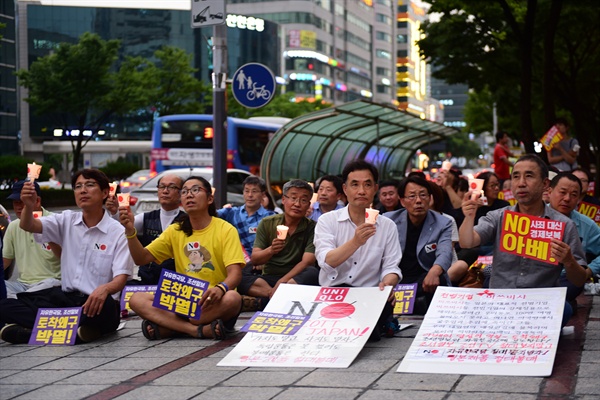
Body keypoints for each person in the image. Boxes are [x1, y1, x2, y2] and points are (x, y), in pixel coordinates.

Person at [0, 169, 134, 344]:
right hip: (65, 299)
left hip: (95, 303)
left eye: (90, 185)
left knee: (106, 308)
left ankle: (31, 332)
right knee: (4, 305)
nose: (83, 190)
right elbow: (28, 225)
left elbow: (121, 278)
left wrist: (105, 289)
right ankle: (76, 332)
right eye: (78, 186)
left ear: (104, 193)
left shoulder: (118, 232)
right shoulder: (67, 220)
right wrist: (28, 205)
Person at [459, 154, 588, 326]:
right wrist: (469, 217)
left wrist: (569, 260)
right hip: (500, 303)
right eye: (516, 176)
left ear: (545, 185)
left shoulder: (564, 225)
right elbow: (467, 242)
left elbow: (579, 280)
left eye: (529, 176)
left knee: (564, 310)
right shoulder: (499, 217)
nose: (521, 183)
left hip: (539, 305)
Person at [119, 176, 246, 340]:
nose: (189, 195)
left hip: (214, 303)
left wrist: (220, 289)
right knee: (136, 299)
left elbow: (235, 274)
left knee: (233, 298)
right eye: (185, 191)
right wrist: (130, 231)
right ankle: (195, 330)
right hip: (183, 301)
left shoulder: (225, 230)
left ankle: (172, 327)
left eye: (195, 190)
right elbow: (141, 258)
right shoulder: (176, 230)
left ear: (209, 198)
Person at [314, 160, 402, 340]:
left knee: (367, 333)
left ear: (375, 188)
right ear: (345, 189)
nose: (361, 191)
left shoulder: (387, 226)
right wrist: (356, 241)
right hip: (333, 295)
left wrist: (388, 284)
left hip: (368, 295)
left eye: (367, 184)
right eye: (355, 184)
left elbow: (391, 267)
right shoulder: (327, 221)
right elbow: (326, 260)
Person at [240, 179, 318, 311]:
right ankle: (276, 296)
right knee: (240, 274)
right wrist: (271, 250)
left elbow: (307, 261)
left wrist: (282, 282)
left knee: (312, 273)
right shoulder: (268, 222)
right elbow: (255, 258)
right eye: (293, 198)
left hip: (295, 278)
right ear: (283, 200)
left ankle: (265, 300)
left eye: (303, 200)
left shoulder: (312, 227)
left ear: (308, 205)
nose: (297, 204)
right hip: (269, 278)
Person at [386, 175, 453, 314]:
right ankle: (415, 304)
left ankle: (413, 303)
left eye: (423, 195)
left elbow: (445, 252)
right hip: (397, 277)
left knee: (438, 278)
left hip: (424, 278)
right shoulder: (388, 220)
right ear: (402, 201)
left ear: (430, 198)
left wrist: (434, 271)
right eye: (412, 196)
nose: (418, 201)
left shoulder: (443, 223)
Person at [116, 174, 186, 285]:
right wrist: (115, 212)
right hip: (147, 281)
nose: (165, 191)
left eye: (171, 187)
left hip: (175, 283)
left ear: (182, 193)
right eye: (162, 187)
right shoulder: (145, 218)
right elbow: (118, 232)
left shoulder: (187, 222)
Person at [3, 180, 61, 298]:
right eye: (15, 203)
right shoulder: (13, 226)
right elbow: (4, 261)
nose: (18, 207)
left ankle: (21, 300)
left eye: (22, 202)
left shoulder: (55, 221)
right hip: (22, 285)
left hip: (51, 283)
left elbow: (67, 257)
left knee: (49, 285)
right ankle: (23, 300)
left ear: (37, 201)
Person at [547, 172, 600, 301]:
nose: (567, 198)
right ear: (549, 192)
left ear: (578, 199)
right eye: (562, 192)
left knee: (573, 284)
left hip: (565, 278)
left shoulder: (587, 225)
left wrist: (590, 270)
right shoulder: (532, 218)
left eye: (574, 195)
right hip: (534, 278)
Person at [218, 176, 275, 257]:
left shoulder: (271, 217)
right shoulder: (231, 213)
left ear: (263, 194)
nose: (250, 195)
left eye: (254, 191)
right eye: (246, 191)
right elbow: (208, 215)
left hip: (262, 263)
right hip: (237, 263)